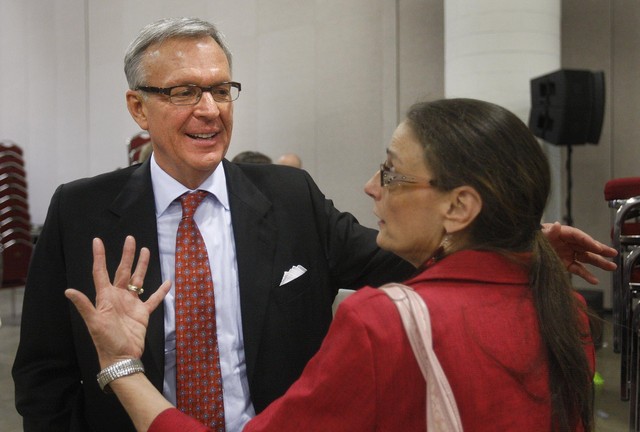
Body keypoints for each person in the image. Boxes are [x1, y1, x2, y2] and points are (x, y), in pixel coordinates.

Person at [13, 16, 613, 432]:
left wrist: (519, 240)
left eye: (223, 90)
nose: (210, 110)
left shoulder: (289, 195)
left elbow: (401, 254)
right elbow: (44, 371)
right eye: (185, 91)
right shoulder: (80, 210)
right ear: (137, 106)